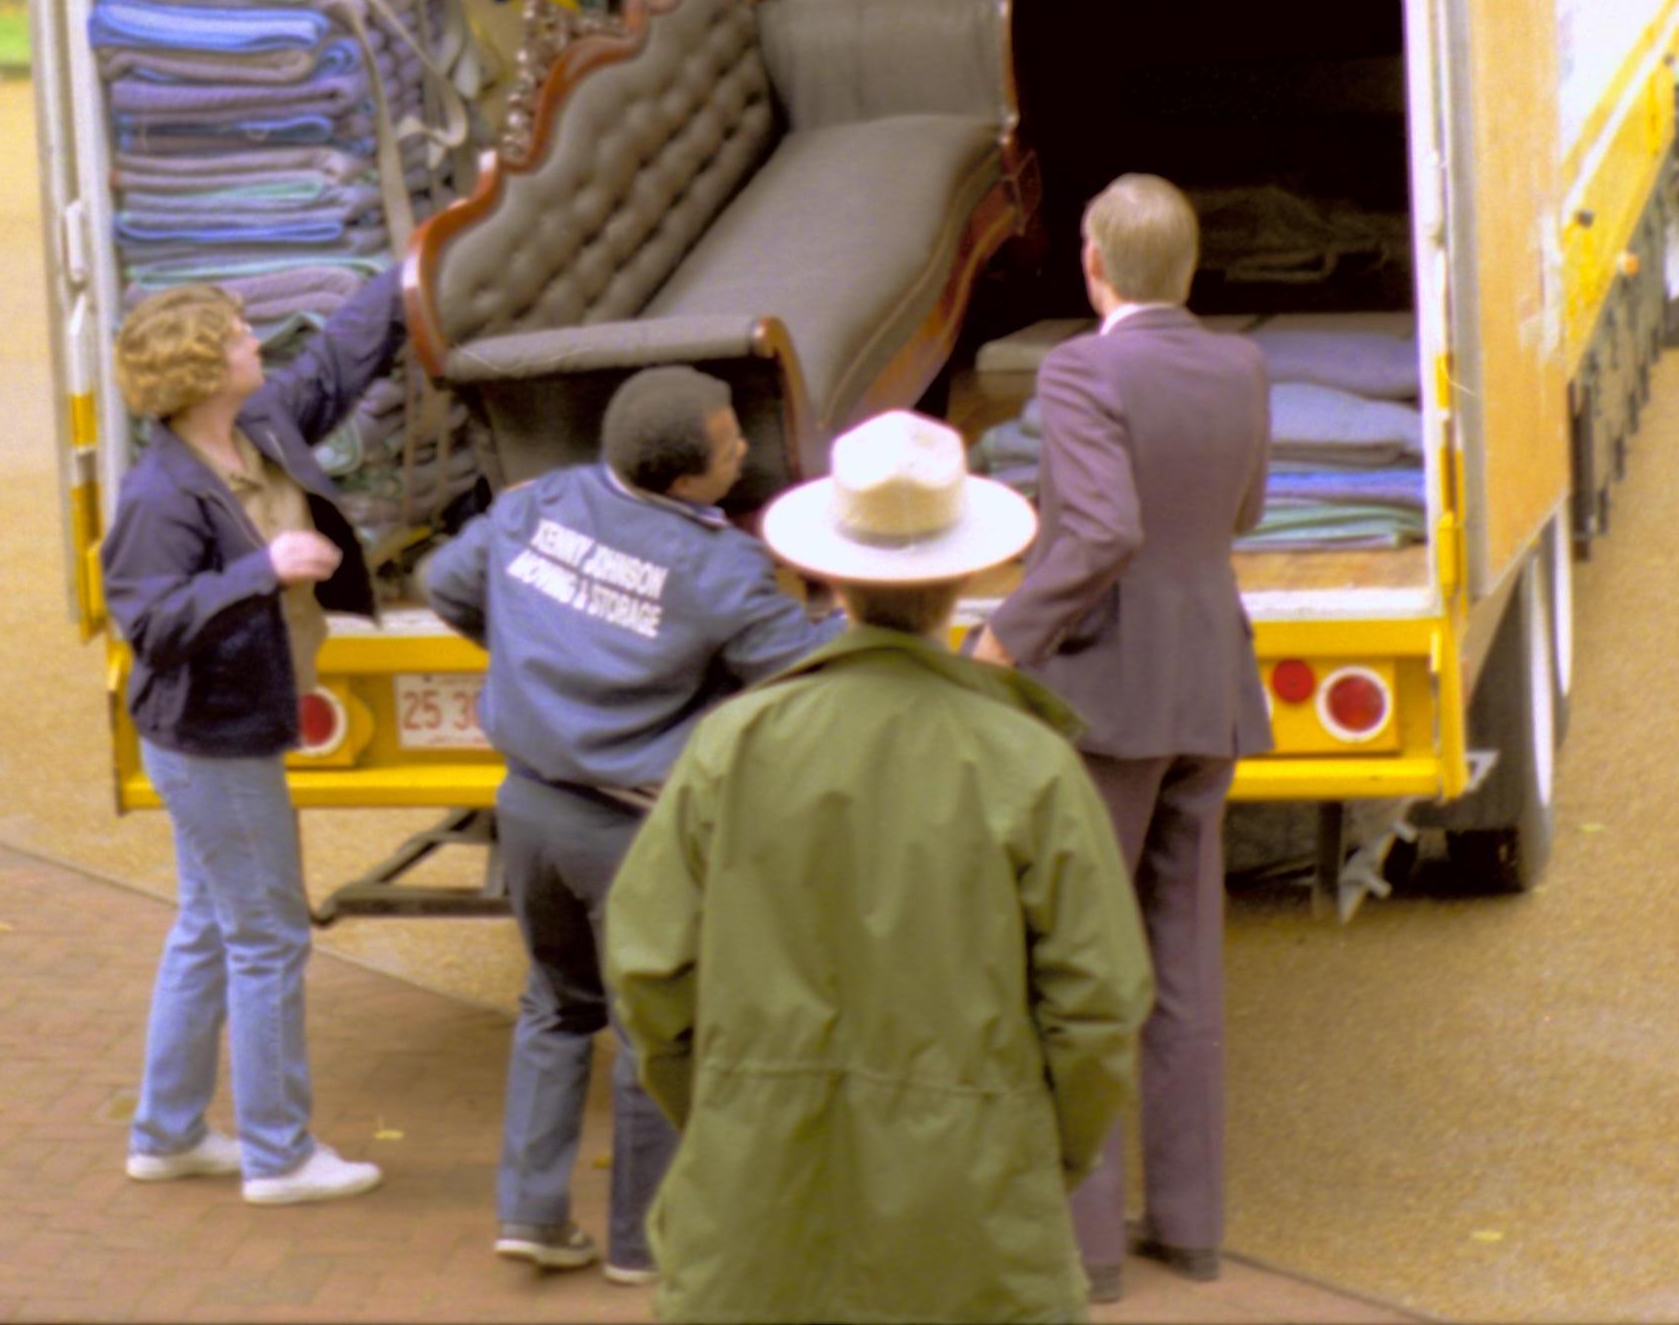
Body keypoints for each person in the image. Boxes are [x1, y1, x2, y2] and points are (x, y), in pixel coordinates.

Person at [605, 411, 1152, 1325]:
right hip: (973, 1205)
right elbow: (1099, 1002)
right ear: (966, 574)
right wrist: (1034, 1147)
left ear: (831, 576)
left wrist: (733, 1108)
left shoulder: (732, 746)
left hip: (755, 1194)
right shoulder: (1026, 759)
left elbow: (649, 970)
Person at [421, 367, 843, 1287]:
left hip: (528, 807)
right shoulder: (718, 563)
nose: (744, 455)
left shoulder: (548, 501)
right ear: (688, 481)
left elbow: (445, 581)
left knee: (555, 1007)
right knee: (658, 1027)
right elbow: (803, 665)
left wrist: (536, 645)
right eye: (733, 448)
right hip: (635, 832)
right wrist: (850, 599)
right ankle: (640, 1242)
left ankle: (531, 1214)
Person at [971, 174, 1272, 1304]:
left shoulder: (1082, 368)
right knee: (1186, 963)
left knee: (1082, 968)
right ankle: (1191, 1229)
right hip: (1210, 680)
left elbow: (1101, 530)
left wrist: (1004, 638)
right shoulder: (1240, 364)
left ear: (1096, 267)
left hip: (1107, 694)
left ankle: (1090, 1246)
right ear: (1186, 272)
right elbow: (1242, 514)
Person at [100, 271, 403, 1207]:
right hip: (212, 741)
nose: (254, 343)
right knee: (269, 936)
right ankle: (279, 1155)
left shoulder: (257, 425)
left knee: (207, 926)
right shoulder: (160, 494)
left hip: (226, 731)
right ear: (199, 375)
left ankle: (168, 1133)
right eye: (236, 337)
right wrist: (262, 571)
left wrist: (415, 270)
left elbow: (334, 366)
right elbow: (146, 622)